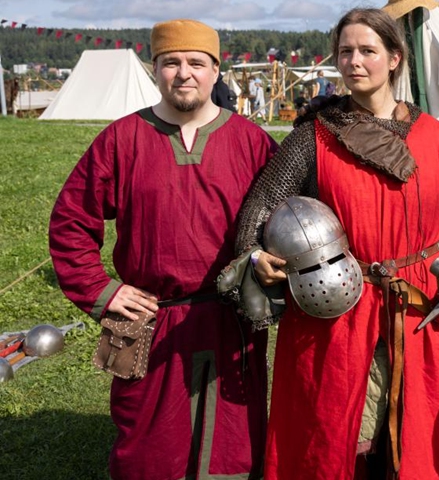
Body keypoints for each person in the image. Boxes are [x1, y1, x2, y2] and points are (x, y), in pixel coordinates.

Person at [235, 7, 439, 479]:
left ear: (394, 58)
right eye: (345, 51)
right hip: (335, 307)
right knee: (332, 439)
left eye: (368, 50)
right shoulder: (314, 136)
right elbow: (261, 206)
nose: (354, 61)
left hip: (414, 309)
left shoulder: (437, 140)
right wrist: (257, 255)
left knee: (411, 440)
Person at [48, 18, 278, 480]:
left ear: (216, 71)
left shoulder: (252, 144)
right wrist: (103, 290)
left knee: (232, 453)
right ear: (155, 69)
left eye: (197, 62)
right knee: (148, 456)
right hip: (150, 322)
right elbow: (71, 224)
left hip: (229, 321)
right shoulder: (121, 140)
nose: (184, 73)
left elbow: (287, 225)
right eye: (171, 62)